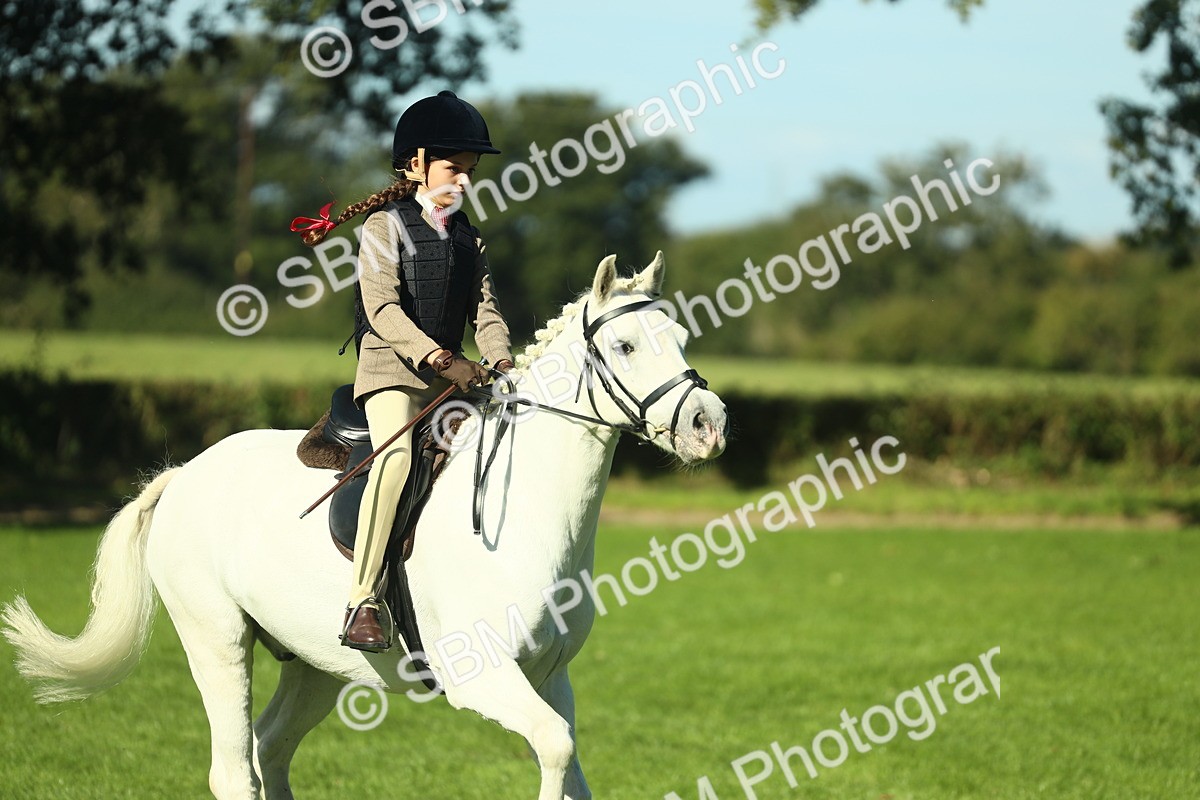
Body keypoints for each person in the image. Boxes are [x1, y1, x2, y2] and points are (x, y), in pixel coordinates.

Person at [295, 91, 514, 651]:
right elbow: (383, 310)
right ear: (415, 164)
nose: (463, 181)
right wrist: (442, 358)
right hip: (392, 372)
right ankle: (361, 600)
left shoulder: (469, 237)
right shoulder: (382, 228)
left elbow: (486, 313)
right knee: (394, 459)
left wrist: (504, 361)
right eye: (453, 168)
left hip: (450, 378)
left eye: (470, 172)